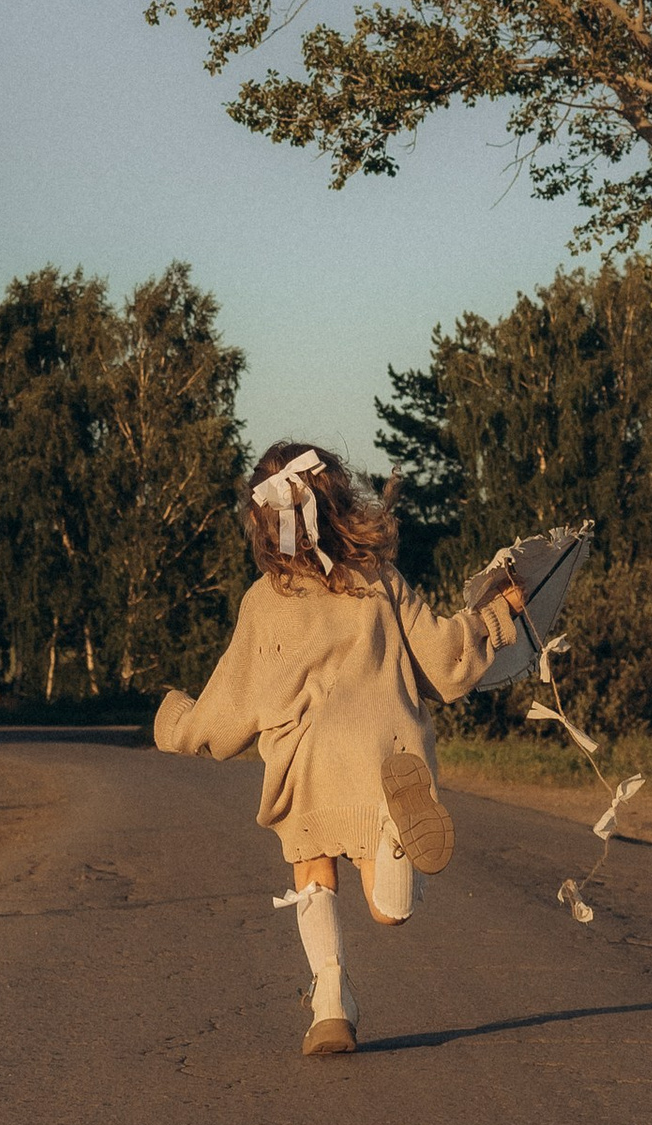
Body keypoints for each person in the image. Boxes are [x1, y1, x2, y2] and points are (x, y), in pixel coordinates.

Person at [152, 440, 530, 1060]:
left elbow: (232, 704)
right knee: (390, 914)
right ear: (337, 503)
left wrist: (180, 725)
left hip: (306, 762)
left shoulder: (263, 602)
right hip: (382, 753)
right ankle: (395, 853)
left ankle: (331, 1001)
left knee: (312, 871)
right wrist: (493, 616)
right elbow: (443, 661)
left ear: (263, 522)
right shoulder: (379, 581)